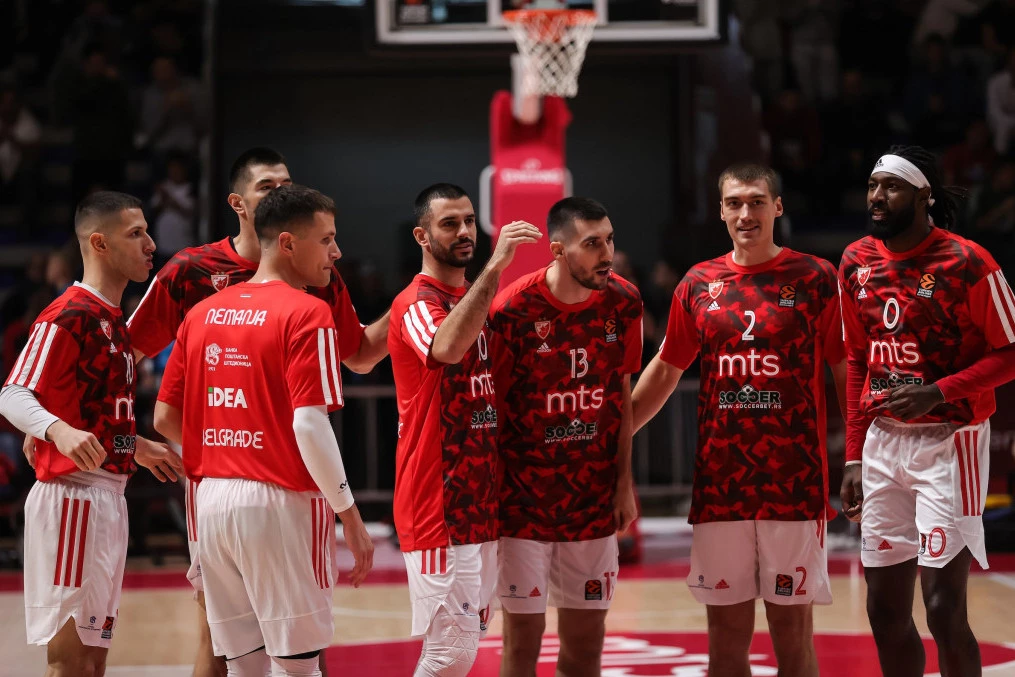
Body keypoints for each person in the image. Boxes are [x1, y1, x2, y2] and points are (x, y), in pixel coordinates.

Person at [126, 147, 390, 677]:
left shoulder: (234, 304)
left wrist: (225, 449)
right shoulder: (197, 273)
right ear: (239, 203)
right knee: (284, 655)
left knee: (240, 654)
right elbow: (122, 352)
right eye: (269, 186)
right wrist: (74, 426)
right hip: (273, 489)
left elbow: (360, 353)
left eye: (286, 184)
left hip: (217, 491)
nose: (335, 252)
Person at [632, 164, 846, 677]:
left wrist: (861, 452)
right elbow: (666, 368)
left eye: (756, 201)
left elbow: (845, 369)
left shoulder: (817, 278)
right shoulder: (698, 283)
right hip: (721, 489)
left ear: (777, 207)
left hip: (793, 487)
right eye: (734, 203)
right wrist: (612, 438)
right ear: (722, 211)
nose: (745, 213)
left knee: (792, 639)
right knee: (725, 646)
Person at [839, 146, 1015, 677]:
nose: (877, 197)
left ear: (924, 196)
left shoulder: (969, 261)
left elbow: (1010, 353)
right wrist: (853, 456)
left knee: (942, 608)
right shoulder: (855, 261)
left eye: (891, 187)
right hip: (882, 443)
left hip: (950, 440)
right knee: (883, 610)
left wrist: (938, 392)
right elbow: (856, 360)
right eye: (872, 185)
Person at [0, 191, 181, 676]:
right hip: (71, 501)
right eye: (136, 234)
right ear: (99, 243)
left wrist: (135, 445)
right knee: (70, 663)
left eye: (147, 232)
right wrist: (55, 430)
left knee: (93, 664)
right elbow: (12, 393)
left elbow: (94, 420)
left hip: (107, 498)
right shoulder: (69, 314)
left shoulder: (113, 319)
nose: (150, 244)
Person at [388, 183, 541, 676]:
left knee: (466, 646)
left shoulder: (475, 301)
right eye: (449, 223)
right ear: (422, 236)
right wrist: (496, 268)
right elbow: (446, 348)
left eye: (469, 221)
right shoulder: (416, 301)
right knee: (448, 654)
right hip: (438, 504)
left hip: (480, 502)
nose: (464, 232)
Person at [489, 197, 641, 676]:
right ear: (558, 249)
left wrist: (623, 484)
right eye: (592, 244)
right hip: (522, 505)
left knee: (585, 651)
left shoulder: (625, 302)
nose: (606, 253)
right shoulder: (513, 309)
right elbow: (492, 412)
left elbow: (621, 399)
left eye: (609, 240)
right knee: (521, 649)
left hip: (592, 503)